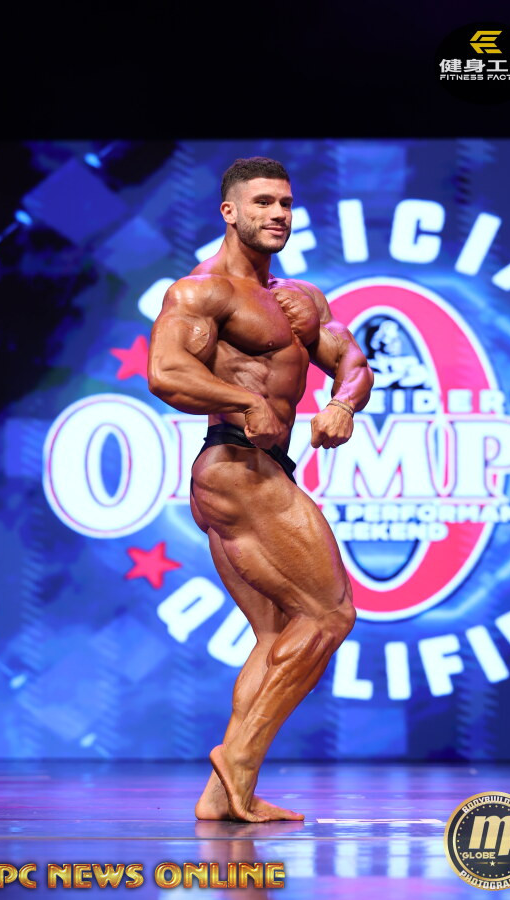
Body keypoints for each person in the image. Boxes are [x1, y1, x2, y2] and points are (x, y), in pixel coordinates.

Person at [148, 157, 373, 822]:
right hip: (236, 466)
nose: (278, 214)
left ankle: (223, 797)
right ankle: (239, 759)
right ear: (230, 212)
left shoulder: (300, 300)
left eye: (286, 203)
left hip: (263, 468)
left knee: (276, 630)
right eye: (263, 202)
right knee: (331, 615)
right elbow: (165, 372)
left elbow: (353, 361)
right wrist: (241, 401)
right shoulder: (202, 292)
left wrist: (343, 404)